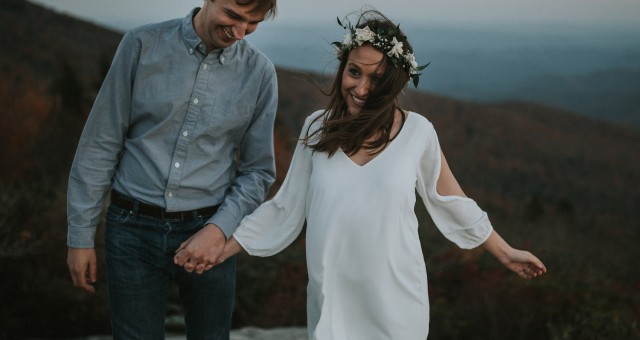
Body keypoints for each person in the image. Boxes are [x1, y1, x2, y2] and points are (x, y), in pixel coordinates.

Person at [209, 9, 547, 339]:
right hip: (333, 300)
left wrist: (506, 252)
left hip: (396, 304)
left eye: (377, 80)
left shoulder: (418, 132)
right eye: (354, 72)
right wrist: (221, 248)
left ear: (394, 84)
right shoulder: (316, 128)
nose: (361, 88)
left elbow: (454, 202)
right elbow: (286, 206)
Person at [66, 0, 278, 338]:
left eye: (252, 24)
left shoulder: (260, 73)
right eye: (234, 16)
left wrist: (218, 230)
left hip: (208, 231)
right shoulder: (140, 45)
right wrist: (79, 237)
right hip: (130, 229)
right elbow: (100, 144)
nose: (240, 33)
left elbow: (257, 172)